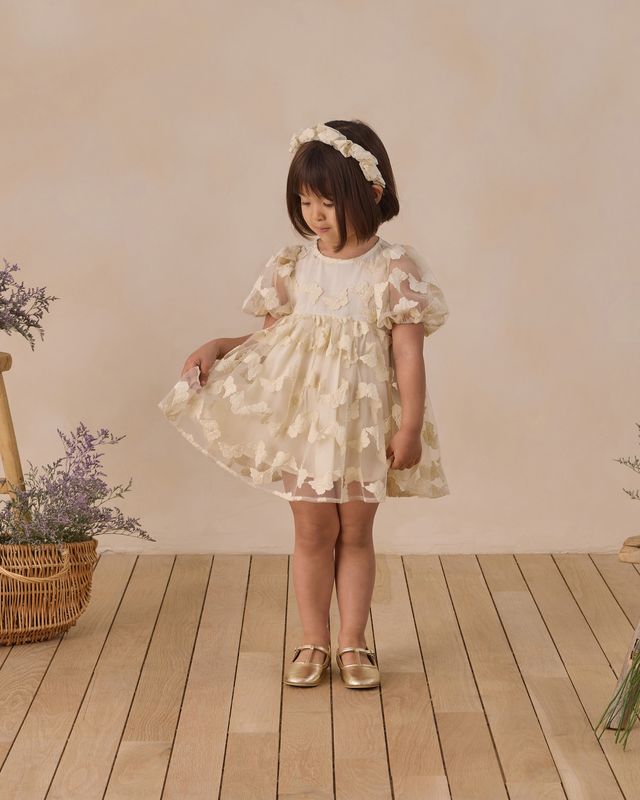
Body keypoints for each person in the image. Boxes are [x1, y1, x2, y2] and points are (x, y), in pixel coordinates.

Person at [158, 119, 450, 689]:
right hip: (306, 424)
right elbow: (272, 342)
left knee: (356, 533)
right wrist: (221, 345)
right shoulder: (293, 266)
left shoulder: (394, 269)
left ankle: (353, 642)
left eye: (328, 202)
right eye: (305, 201)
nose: (315, 214)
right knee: (313, 532)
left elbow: (409, 355)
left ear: (371, 193)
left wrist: (410, 426)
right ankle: (313, 639)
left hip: (362, 425)